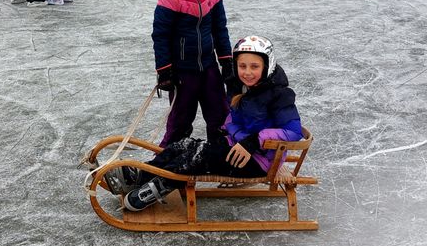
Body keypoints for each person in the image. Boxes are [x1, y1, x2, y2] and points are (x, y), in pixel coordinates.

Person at [103, 35, 303, 212]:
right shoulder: (240, 87)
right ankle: (141, 175)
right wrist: (230, 133)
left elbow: (293, 132)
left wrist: (253, 141)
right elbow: (232, 118)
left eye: (254, 66)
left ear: (267, 66)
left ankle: (157, 187)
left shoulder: (279, 95)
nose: (247, 72)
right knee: (185, 145)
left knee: (198, 159)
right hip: (235, 147)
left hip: (259, 161)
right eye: (242, 66)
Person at [152, 0, 233, 149]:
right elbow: (160, 35)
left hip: (209, 68)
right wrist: (164, 69)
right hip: (182, 72)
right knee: (180, 120)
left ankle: (222, 155)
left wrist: (226, 60)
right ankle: (168, 160)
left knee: (220, 116)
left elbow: (220, 29)